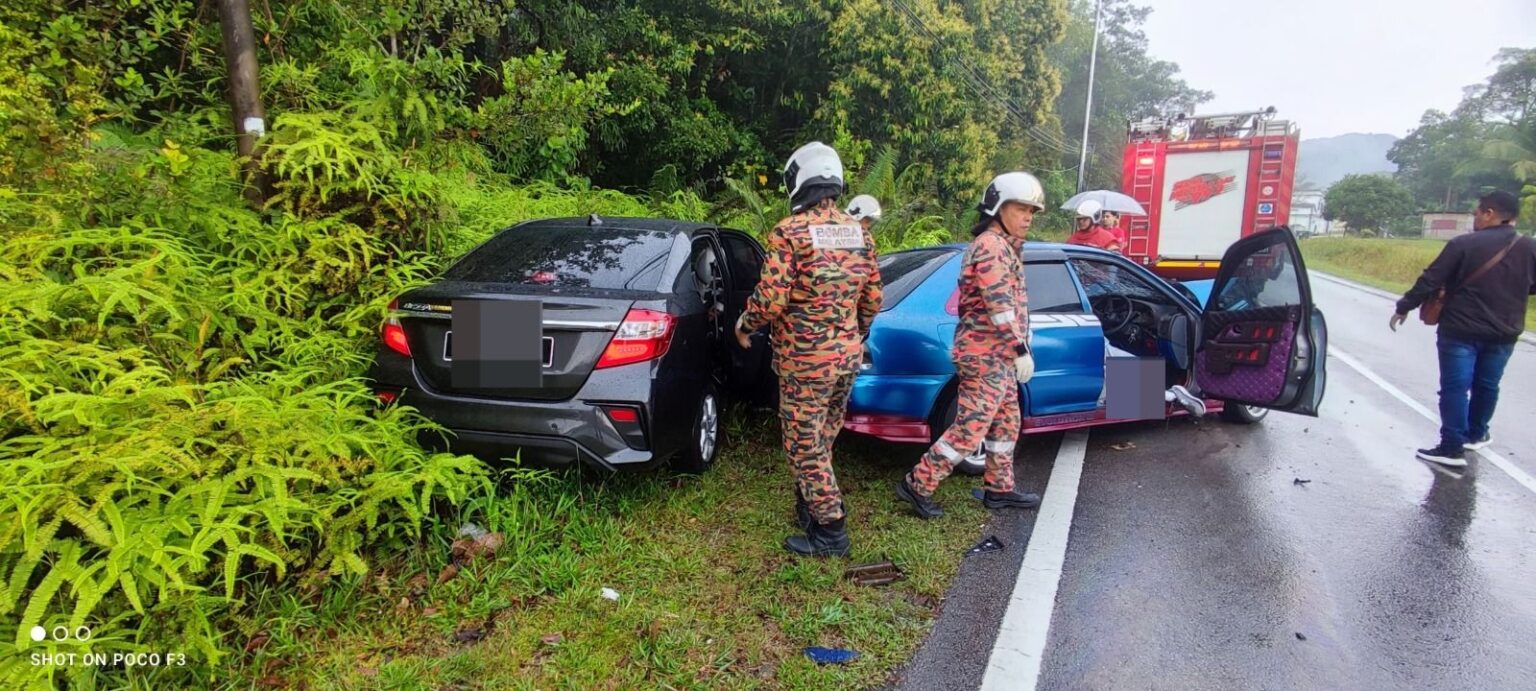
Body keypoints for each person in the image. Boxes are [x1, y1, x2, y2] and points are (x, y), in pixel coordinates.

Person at [736, 141, 883, 556]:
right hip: (847, 358)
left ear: (798, 181)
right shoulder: (859, 233)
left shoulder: (790, 232)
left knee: (803, 443)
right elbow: (873, 298)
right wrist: (855, 335)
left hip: (805, 363)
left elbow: (770, 299)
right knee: (823, 436)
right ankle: (809, 504)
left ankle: (831, 530)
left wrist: (744, 325)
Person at [894, 172, 1045, 519]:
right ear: (999, 208)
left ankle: (999, 489)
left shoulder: (1006, 247)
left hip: (999, 356)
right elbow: (998, 304)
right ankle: (918, 483)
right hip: (985, 355)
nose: (1028, 218)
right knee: (971, 427)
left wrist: (1017, 349)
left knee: (1006, 423)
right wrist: (1020, 349)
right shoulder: (991, 246)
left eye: (1032, 212)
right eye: (1021, 209)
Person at [1390, 190, 1535, 467]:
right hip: (1505, 331)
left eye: (1477, 212)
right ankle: (1476, 433)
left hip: (1460, 330)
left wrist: (1404, 306)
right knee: (1488, 384)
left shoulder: (1463, 244)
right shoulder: (1529, 247)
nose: (1475, 218)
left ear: (1490, 213)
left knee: (1455, 387)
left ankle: (1451, 447)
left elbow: (1431, 279)